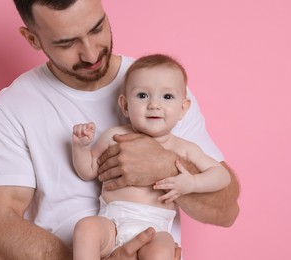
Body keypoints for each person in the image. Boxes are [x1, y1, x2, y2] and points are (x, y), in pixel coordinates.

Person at [0, 0, 240, 259]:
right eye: (67, 42)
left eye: (97, 28)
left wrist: (166, 166)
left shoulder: (162, 87)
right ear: (33, 39)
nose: (90, 54)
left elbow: (226, 209)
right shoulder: (9, 110)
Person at [71, 54, 231, 260]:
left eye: (167, 97)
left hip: (155, 229)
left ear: (183, 109)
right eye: (143, 95)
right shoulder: (114, 136)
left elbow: (221, 175)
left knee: (162, 251)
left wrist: (192, 183)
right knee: (85, 229)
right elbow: (88, 171)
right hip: (112, 223)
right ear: (125, 105)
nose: (154, 105)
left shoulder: (183, 148)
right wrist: (81, 148)